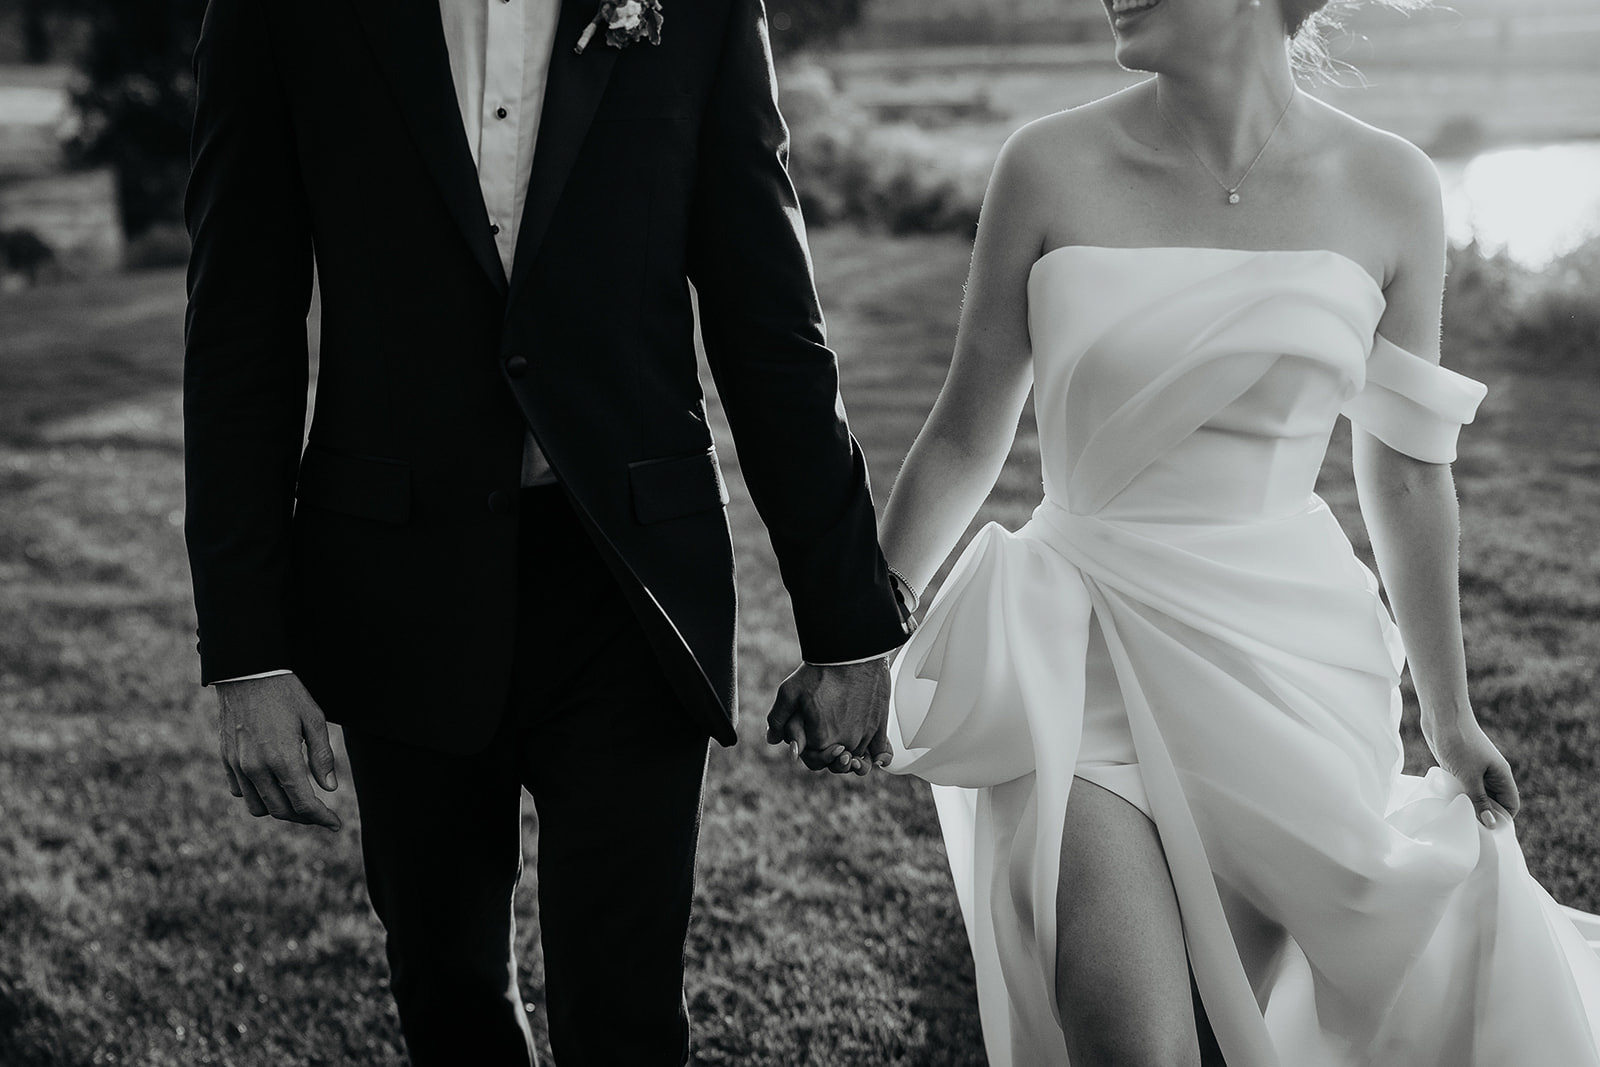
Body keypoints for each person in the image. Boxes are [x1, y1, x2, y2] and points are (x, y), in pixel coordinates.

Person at [833, 0, 1600, 1062]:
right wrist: (863, 640)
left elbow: (1406, 471)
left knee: (1232, 1027)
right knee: (1123, 1032)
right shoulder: (1044, 166)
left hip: (1285, 669)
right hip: (1083, 639)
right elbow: (967, 429)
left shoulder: (1393, 187)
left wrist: (1451, 714)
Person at [182, 1, 909, 1063]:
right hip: (397, 576)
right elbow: (239, 325)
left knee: (627, 1009)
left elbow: (767, 312)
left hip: (631, 584)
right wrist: (248, 651)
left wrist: (847, 623)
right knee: (446, 991)